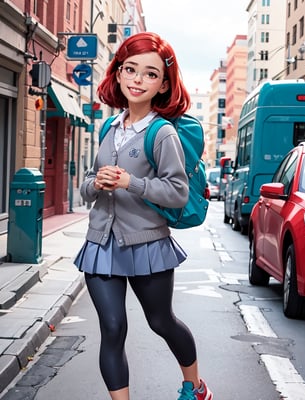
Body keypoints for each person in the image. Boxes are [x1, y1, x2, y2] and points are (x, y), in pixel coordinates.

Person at [74, 32, 213, 400]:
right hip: (101, 244)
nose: (137, 79)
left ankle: (195, 387)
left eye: (150, 74)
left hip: (147, 244)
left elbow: (177, 192)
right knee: (113, 328)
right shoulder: (108, 128)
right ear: (117, 74)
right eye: (130, 69)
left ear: (163, 84)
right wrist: (97, 183)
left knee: (160, 322)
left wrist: (131, 182)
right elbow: (88, 185)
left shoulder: (161, 132)